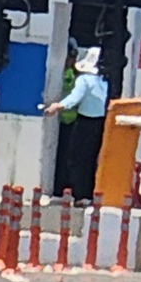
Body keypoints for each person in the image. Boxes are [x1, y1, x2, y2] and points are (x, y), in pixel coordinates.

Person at [42, 46, 111, 201]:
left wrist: (57, 106)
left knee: (76, 158)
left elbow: (74, 98)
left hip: (84, 123)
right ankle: (88, 194)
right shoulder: (106, 81)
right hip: (102, 124)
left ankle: (78, 193)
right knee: (92, 159)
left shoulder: (84, 80)